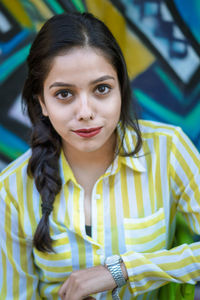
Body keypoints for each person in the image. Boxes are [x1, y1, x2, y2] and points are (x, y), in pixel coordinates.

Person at [0, 12, 200, 300]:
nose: (85, 111)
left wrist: (125, 270)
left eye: (101, 89)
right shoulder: (11, 189)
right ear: (42, 101)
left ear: (121, 89)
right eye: (65, 94)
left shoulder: (168, 150)